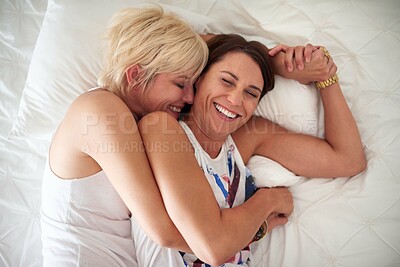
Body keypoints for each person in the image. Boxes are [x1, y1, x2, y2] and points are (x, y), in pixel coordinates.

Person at [136, 34, 367, 266]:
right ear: (198, 78)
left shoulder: (247, 136)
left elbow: (348, 160)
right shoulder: (162, 128)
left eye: (251, 93)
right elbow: (214, 247)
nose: (235, 100)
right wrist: (269, 200)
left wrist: (326, 77)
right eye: (227, 81)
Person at [40, 6, 209, 266]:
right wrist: (235, 240)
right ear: (136, 75)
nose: (189, 98)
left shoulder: (137, 121)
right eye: (180, 84)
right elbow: (164, 232)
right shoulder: (99, 110)